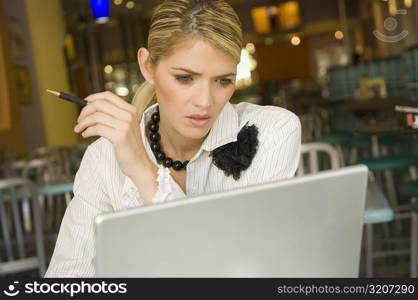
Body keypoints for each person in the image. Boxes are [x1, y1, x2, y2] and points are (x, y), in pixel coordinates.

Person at [45, 0, 301, 277]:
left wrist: (143, 171)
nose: (204, 102)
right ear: (147, 66)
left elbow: (239, 270)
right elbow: (68, 277)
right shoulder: (103, 157)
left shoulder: (274, 131)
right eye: (184, 78)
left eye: (223, 81)